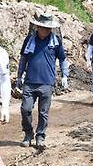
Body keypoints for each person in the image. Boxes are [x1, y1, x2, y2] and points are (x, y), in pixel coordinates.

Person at [16, 12, 69, 150]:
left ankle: (40, 136)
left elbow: (62, 59)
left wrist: (65, 75)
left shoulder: (55, 41)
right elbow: (23, 59)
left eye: (47, 28)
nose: (45, 30)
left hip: (47, 82)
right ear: (37, 27)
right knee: (25, 109)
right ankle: (28, 134)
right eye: (42, 27)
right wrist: (19, 76)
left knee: (43, 112)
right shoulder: (30, 40)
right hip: (30, 82)